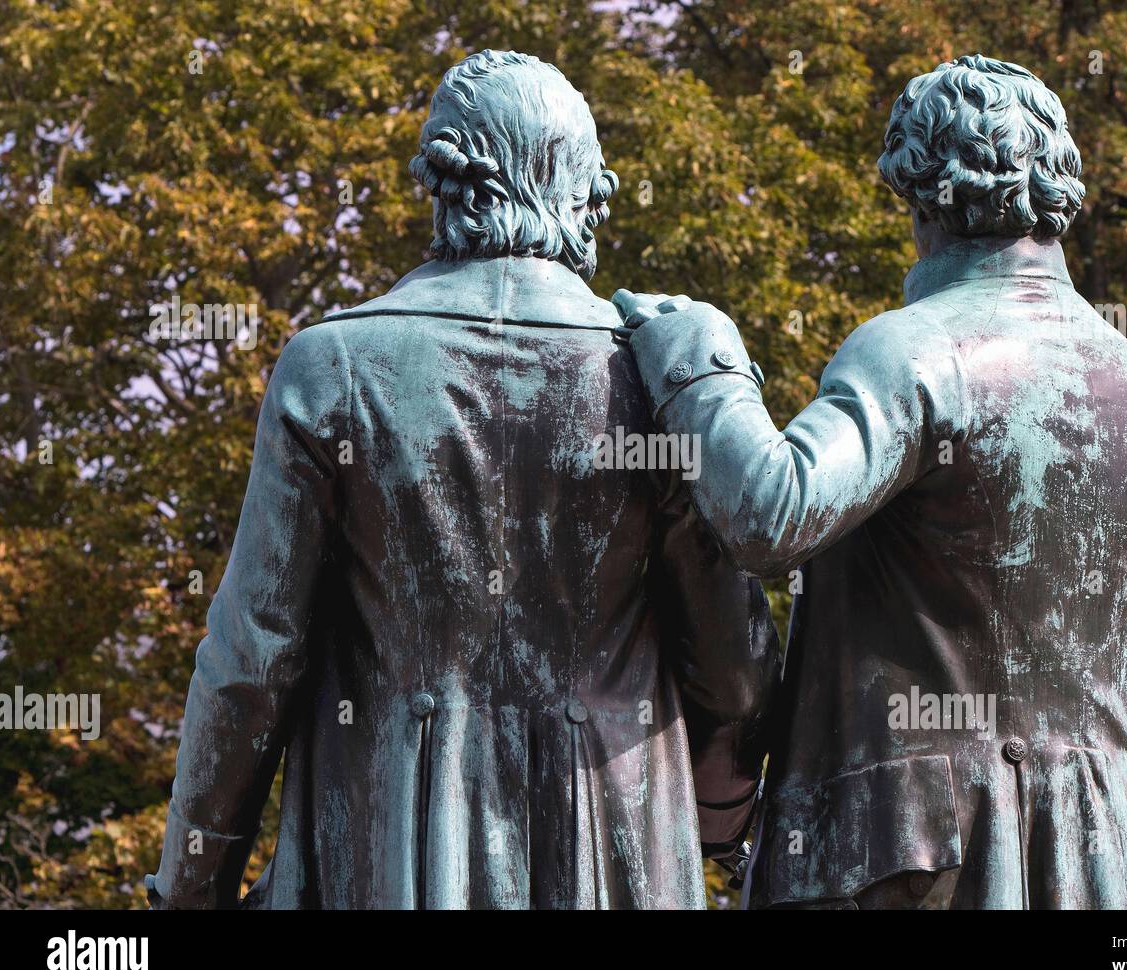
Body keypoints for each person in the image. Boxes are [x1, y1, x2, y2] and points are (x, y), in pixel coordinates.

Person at [149, 49, 778, 910]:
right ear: (577, 192)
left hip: (387, 851)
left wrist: (192, 883)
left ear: (444, 184)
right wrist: (717, 817)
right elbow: (736, 670)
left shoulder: (330, 369)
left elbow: (251, 661)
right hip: (618, 847)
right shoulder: (654, 377)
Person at [614, 54, 1127, 910]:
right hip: (1116, 855)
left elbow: (770, 513)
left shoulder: (917, 351)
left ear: (919, 189)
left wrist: (698, 358)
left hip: (920, 853)